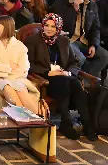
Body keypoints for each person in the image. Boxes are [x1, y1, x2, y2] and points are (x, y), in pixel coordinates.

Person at [25, 13, 97, 141]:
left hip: (64, 76)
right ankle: (67, 123)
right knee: (67, 83)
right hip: (45, 79)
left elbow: (74, 62)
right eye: (46, 25)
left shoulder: (64, 40)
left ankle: (86, 123)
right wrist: (48, 72)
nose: (49, 29)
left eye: (53, 26)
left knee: (73, 82)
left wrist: (67, 72)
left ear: (58, 28)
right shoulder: (32, 41)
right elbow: (28, 65)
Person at [0, 15, 39, 113]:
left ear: (7, 27)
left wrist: (2, 69)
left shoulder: (20, 46)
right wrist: (9, 68)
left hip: (17, 78)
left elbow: (24, 68)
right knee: (7, 86)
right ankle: (24, 117)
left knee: (20, 89)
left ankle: (37, 118)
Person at [51, 0, 108, 78]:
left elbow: (96, 27)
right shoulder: (61, 1)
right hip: (67, 39)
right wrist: (75, 7)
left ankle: (86, 80)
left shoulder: (92, 5)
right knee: (80, 58)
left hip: (83, 40)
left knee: (104, 56)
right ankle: (76, 80)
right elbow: (62, 23)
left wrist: (93, 44)